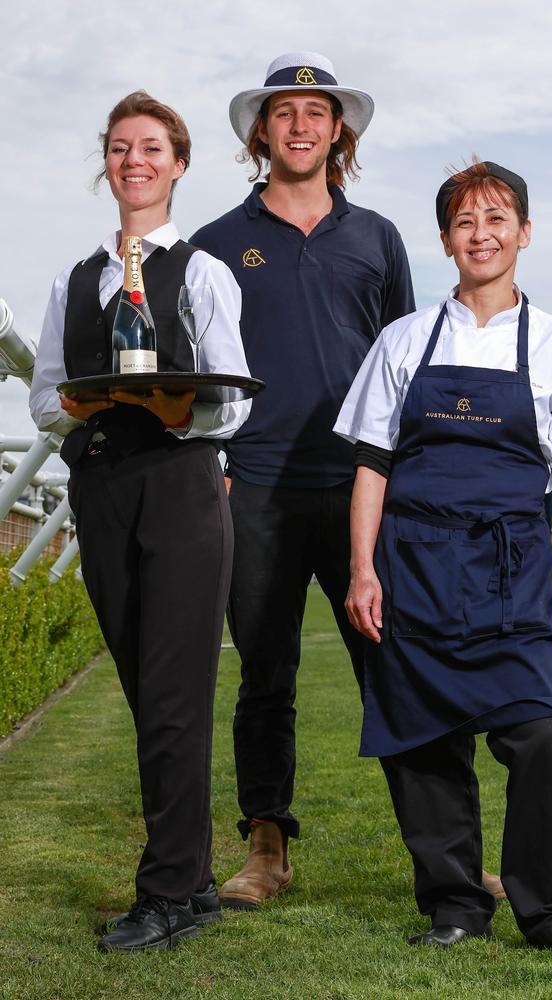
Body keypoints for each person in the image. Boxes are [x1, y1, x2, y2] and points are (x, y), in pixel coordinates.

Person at [335, 160, 552, 959]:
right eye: (466, 222)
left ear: (523, 233)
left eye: (497, 219)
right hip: (413, 570)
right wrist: (363, 569)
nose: (482, 234)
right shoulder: (404, 341)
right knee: (422, 744)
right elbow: (371, 464)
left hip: (515, 573)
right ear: (445, 241)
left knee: (541, 732)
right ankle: (455, 905)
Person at [190, 51, 417, 908]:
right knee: (264, 677)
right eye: (284, 111)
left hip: (362, 490)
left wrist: (403, 481)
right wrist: (211, 467)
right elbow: (200, 372)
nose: (300, 124)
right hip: (255, 488)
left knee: (393, 669)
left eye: (315, 112)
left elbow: (404, 367)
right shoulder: (216, 243)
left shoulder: (378, 238)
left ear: (337, 130)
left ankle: (443, 853)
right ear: (262, 129)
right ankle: (266, 849)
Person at [29, 91, 251, 952]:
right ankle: (192, 883)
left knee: (171, 697)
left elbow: (231, 403)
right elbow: (49, 396)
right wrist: (90, 407)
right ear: (107, 164)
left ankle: (163, 893)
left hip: (182, 488)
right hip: (103, 490)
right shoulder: (74, 279)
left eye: (151, 147)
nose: (134, 160)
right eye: (120, 147)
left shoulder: (200, 272)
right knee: (146, 694)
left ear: (178, 164)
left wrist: (168, 404)